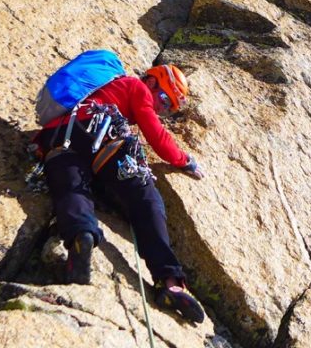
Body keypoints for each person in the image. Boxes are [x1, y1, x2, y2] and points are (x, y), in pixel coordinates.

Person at [35, 63, 206, 324]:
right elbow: (156, 135)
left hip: (57, 138)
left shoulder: (108, 95)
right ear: (150, 82)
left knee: (71, 187)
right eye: (163, 99)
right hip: (100, 132)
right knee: (145, 197)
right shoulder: (134, 86)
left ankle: (81, 237)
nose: (162, 109)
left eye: (169, 108)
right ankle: (169, 282)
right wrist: (184, 160)